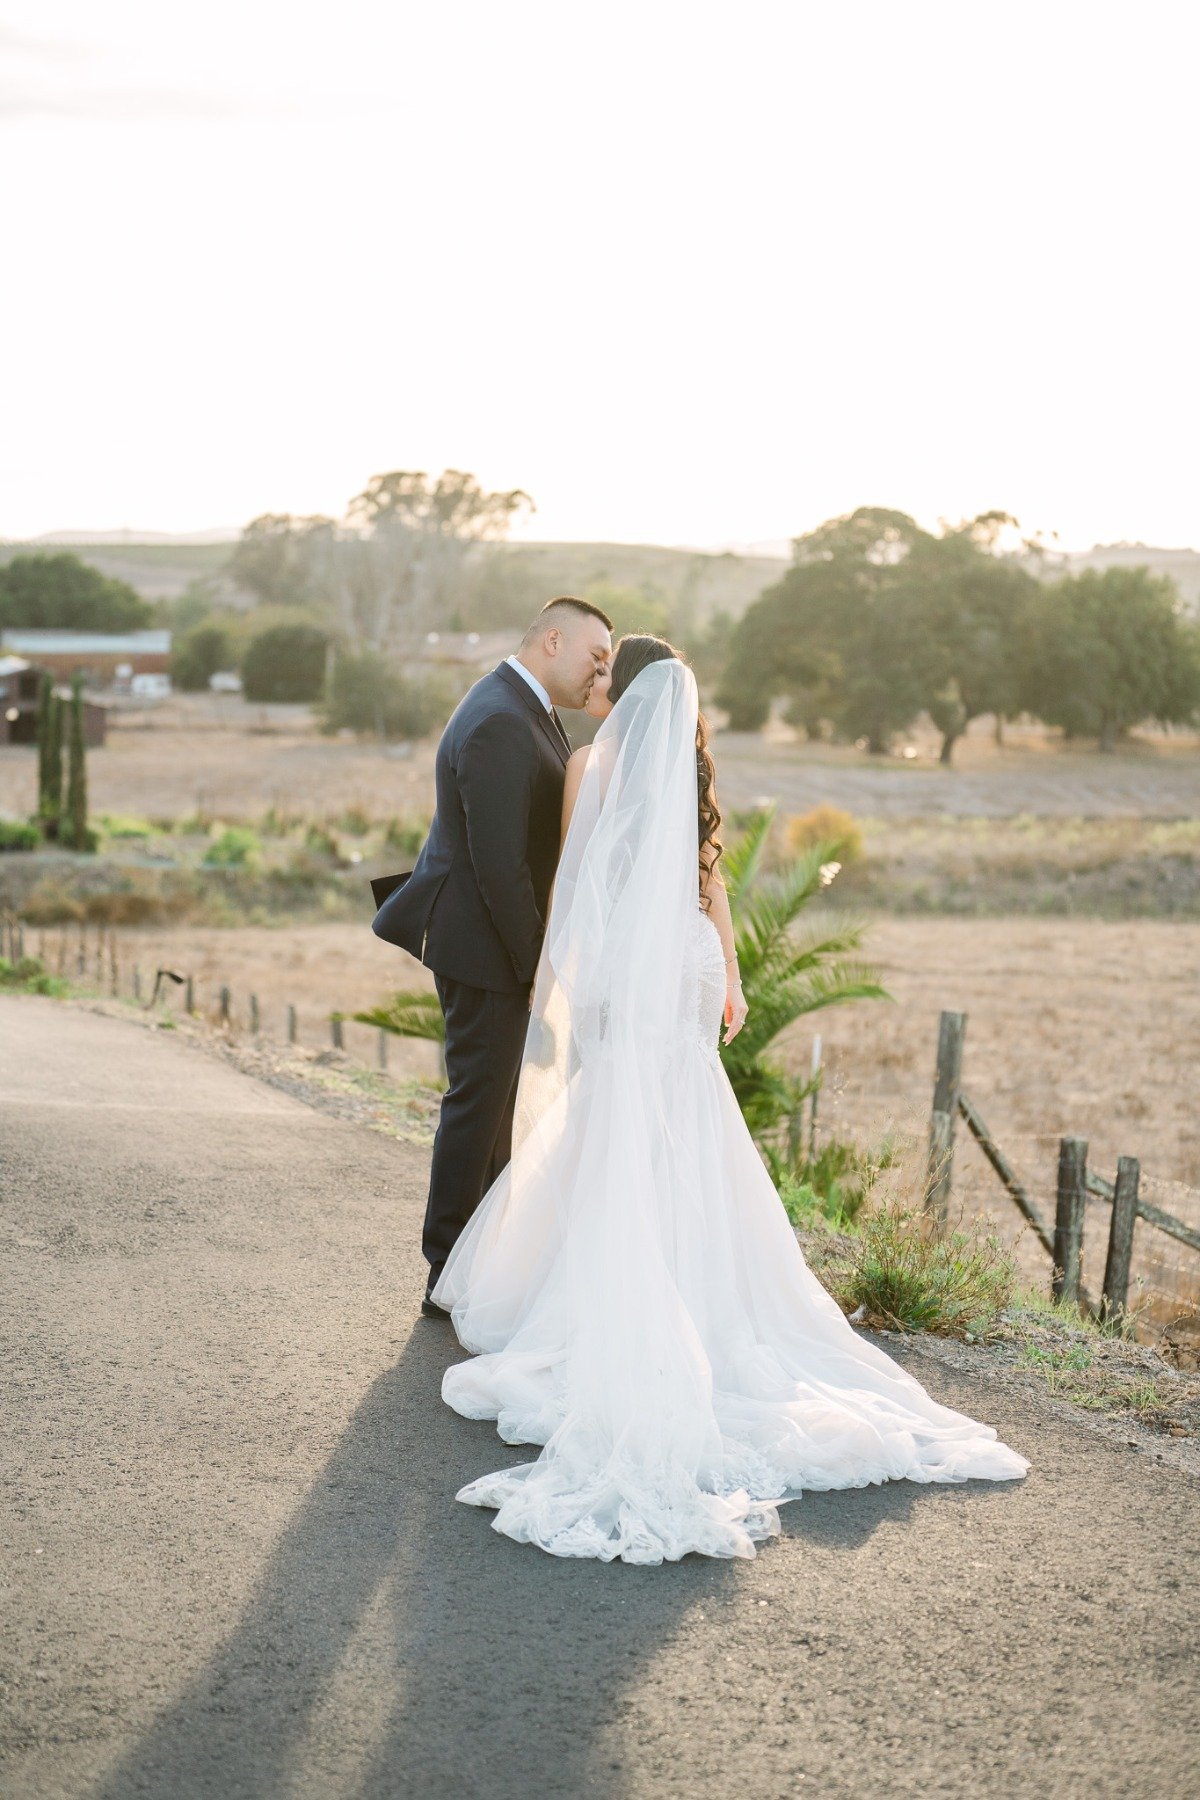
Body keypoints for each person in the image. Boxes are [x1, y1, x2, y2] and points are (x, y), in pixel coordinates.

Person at [432, 636, 1029, 1564]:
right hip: (690, 959)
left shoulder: (590, 763)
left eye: (604, 676)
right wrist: (734, 978)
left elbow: (578, 882)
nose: (594, 686)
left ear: (622, 694)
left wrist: (564, 981)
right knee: (683, 1117)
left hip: (633, 971)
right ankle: (699, 1280)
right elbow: (711, 884)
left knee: (616, 1112)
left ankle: (621, 1279)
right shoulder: (694, 770)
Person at [372, 596, 613, 1314]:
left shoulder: (521, 707)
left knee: (497, 1107)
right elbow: (499, 865)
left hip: (489, 940)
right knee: (478, 1105)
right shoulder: (504, 720)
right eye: (595, 658)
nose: (601, 672)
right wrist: (539, 966)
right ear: (550, 641)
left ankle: (479, 1263)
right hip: (483, 945)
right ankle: (447, 1270)